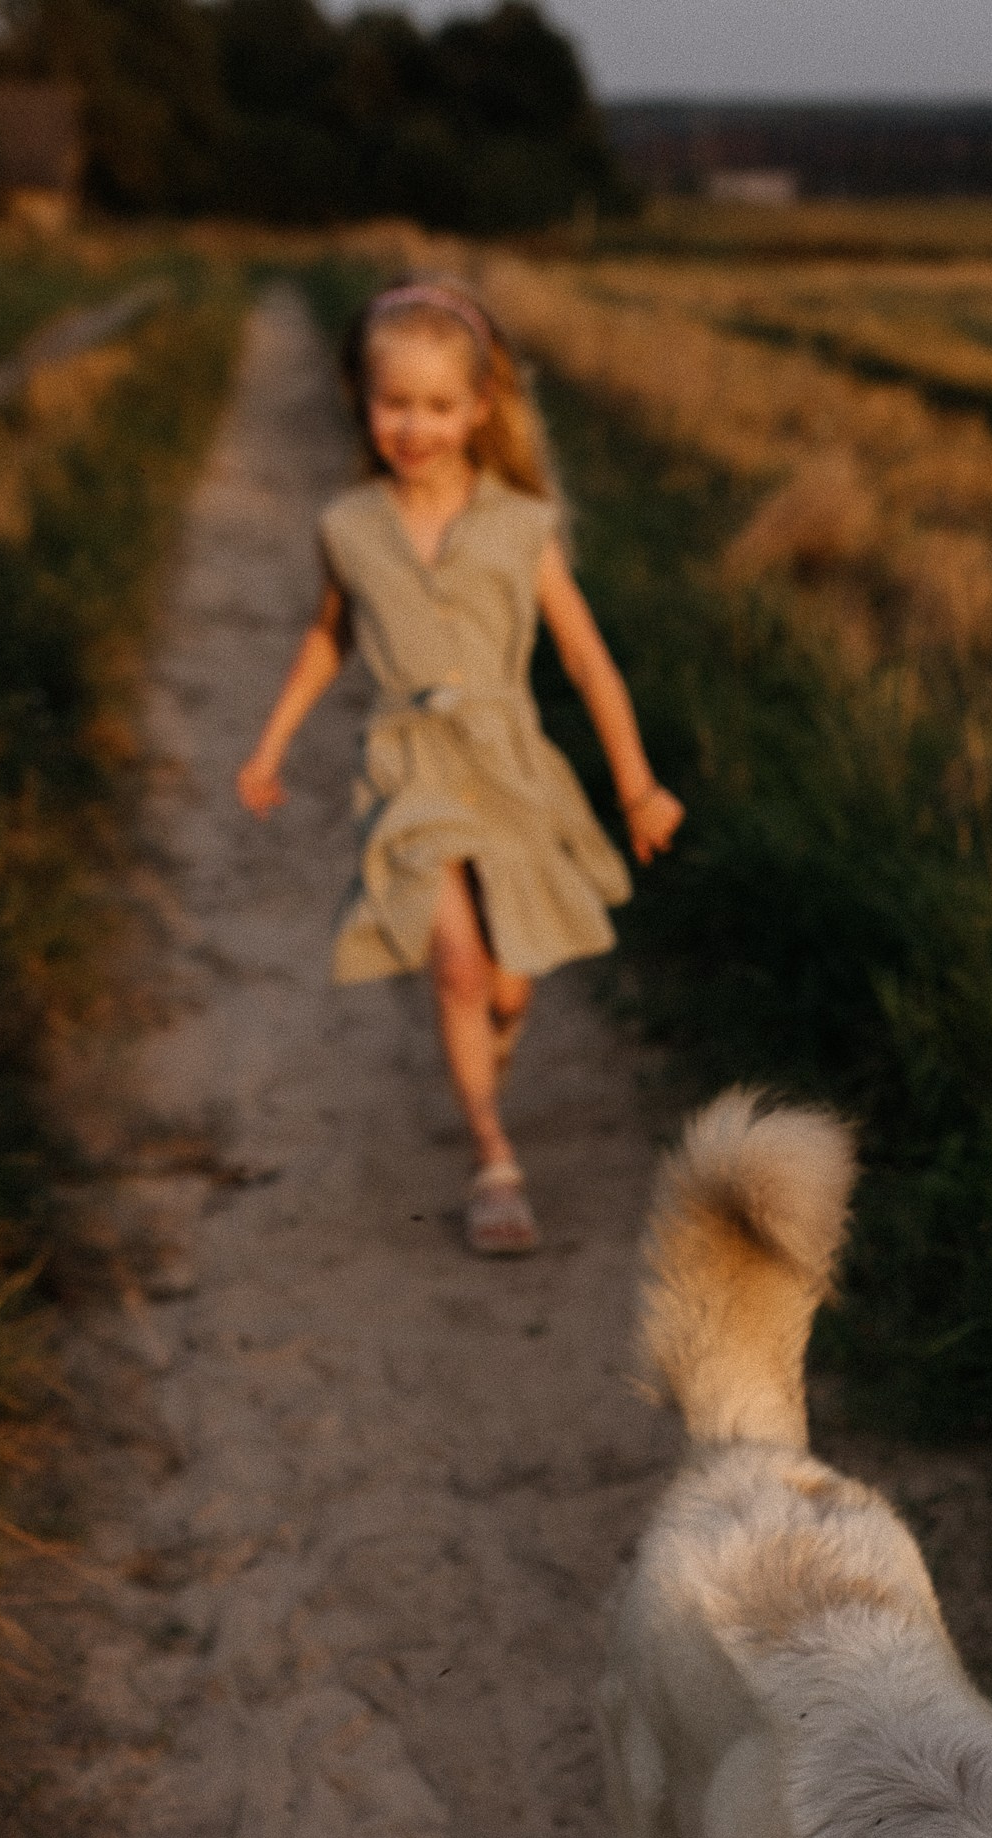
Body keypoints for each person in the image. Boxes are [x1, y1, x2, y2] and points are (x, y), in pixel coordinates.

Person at [237, 281, 683, 1253]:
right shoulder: (349, 526)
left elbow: (584, 659)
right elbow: (326, 640)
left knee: (510, 987)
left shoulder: (521, 525)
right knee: (456, 968)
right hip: (408, 770)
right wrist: (269, 747)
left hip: (512, 766)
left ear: (480, 409)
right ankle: (492, 1157)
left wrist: (636, 784)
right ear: (362, 400)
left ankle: (494, 1044)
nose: (414, 426)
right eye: (393, 403)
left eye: (438, 406)